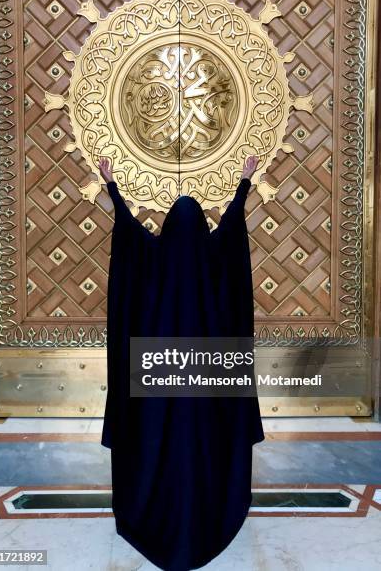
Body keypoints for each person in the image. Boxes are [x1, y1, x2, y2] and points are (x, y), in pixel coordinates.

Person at [98, 155, 264, 571]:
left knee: (156, 442)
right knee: (205, 444)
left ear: (169, 227)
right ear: (199, 230)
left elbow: (130, 235)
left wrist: (112, 187)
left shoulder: (153, 259)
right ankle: (208, 520)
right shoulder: (212, 259)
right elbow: (231, 230)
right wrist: (244, 181)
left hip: (155, 381)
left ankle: (152, 520)